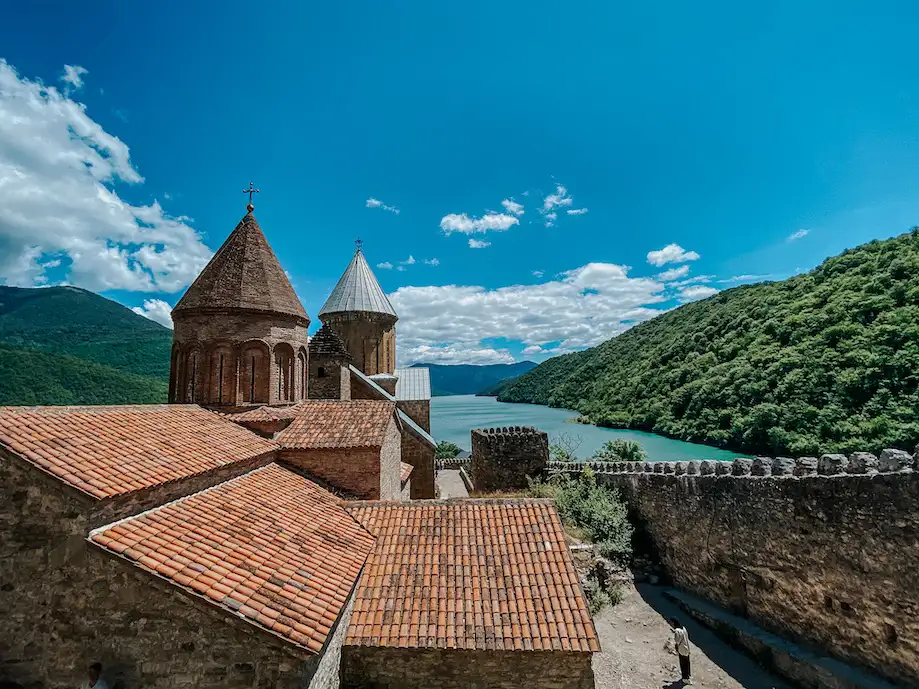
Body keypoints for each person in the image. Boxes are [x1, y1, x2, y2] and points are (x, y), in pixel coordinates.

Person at [671, 617, 692, 685]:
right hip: (687, 648)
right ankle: (688, 675)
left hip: (682, 649)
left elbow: (677, 640)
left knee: (683, 664)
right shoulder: (683, 628)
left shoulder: (677, 631)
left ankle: (685, 678)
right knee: (687, 663)